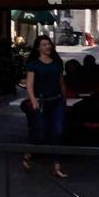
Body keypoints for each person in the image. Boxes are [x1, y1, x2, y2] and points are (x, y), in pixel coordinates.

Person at [22, 34, 67, 179]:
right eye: (44, 44)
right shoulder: (33, 64)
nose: (48, 46)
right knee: (40, 133)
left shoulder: (57, 62)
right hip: (41, 101)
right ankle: (28, 154)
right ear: (38, 48)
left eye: (49, 44)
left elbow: (61, 82)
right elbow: (29, 84)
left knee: (58, 132)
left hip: (56, 101)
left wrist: (64, 98)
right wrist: (33, 100)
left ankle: (56, 165)